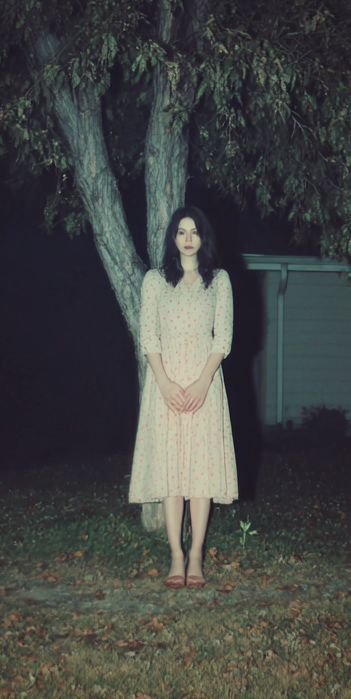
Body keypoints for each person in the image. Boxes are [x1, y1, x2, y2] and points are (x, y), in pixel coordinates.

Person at [128, 206, 237, 589]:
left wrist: (205, 381)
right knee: (173, 472)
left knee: (200, 475)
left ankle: (196, 556)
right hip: (168, 388)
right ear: (172, 238)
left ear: (203, 237)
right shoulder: (155, 281)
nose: (188, 238)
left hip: (205, 386)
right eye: (181, 231)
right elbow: (149, 338)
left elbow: (222, 337)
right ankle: (176, 554)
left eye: (194, 231)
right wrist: (165, 383)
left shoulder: (218, 280)